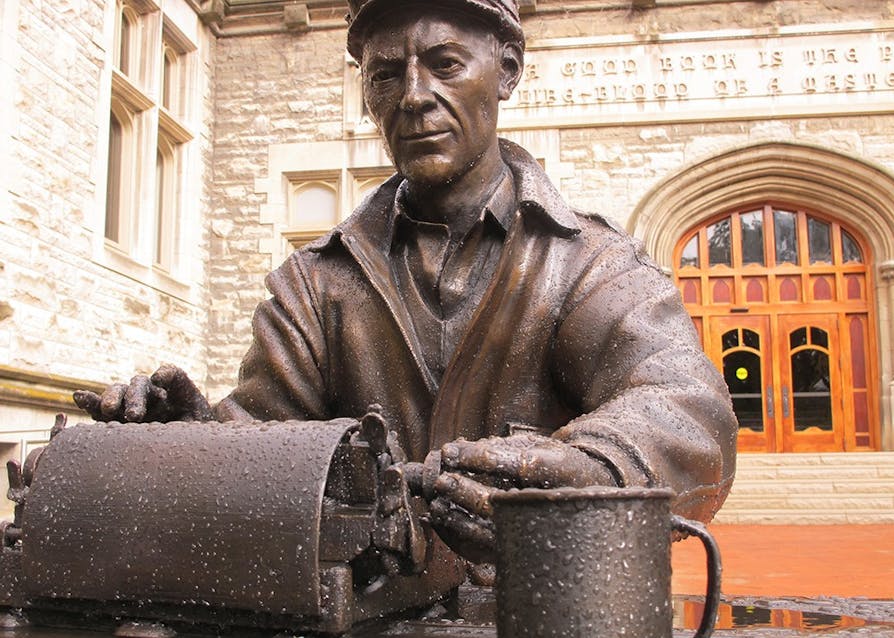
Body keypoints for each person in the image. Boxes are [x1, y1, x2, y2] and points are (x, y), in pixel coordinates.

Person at [75, 0, 737, 564]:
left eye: (445, 64)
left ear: (505, 71)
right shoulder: (314, 286)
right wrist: (186, 438)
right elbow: (261, 446)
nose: (414, 95)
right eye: (386, 74)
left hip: (537, 610)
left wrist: (599, 473)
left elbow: (690, 412)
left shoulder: (586, 262)